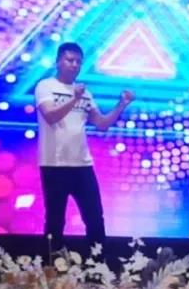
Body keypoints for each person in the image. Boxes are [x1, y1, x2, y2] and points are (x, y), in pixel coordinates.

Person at [34, 42, 134, 255]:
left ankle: (97, 266)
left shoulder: (84, 93)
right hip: (54, 164)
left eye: (78, 62)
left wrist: (121, 105)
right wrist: (74, 98)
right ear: (58, 62)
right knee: (55, 220)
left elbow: (102, 124)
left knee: (95, 218)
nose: (74, 65)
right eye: (70, 60)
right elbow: (50, 115)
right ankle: (52, 266)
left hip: (82, 164)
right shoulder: (45, 86)